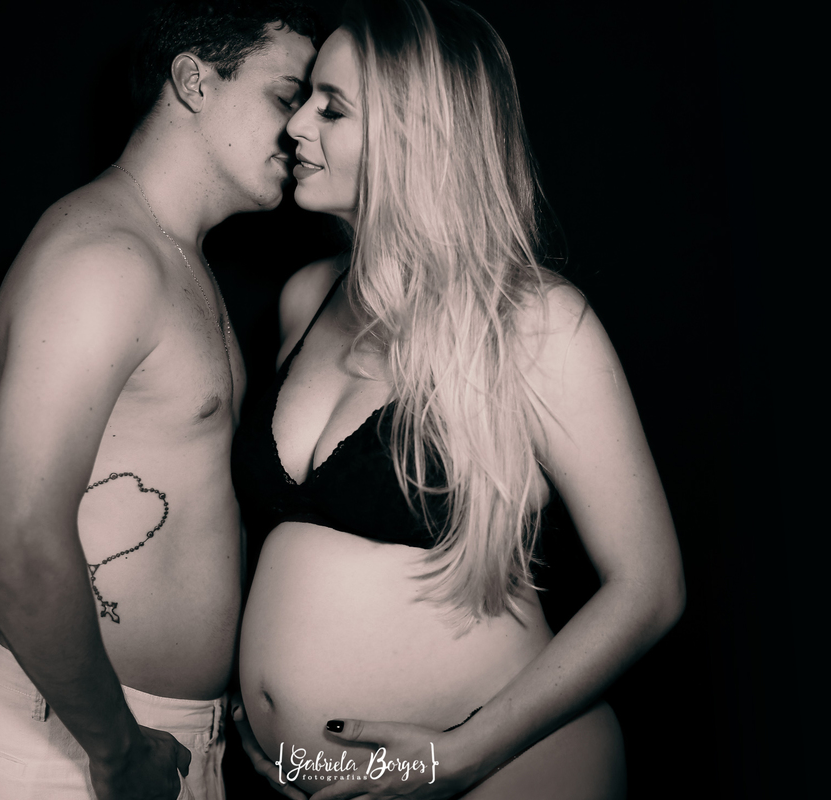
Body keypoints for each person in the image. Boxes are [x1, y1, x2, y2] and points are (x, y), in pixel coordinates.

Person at [229, 1, 685, 797]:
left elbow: (650, 589)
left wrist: (457, 757)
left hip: (505, 771)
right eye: (303, 100)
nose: (295, 125)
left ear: (418, 135)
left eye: (332, 108)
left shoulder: (536, 323)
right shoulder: (307, 298)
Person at [0, 2, 317, 798]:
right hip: (84, 743)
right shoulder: (105, 258)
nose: (302, 128)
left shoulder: (172, 255)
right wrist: (117, 752)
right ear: (194, 81)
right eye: (285, 95)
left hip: (157, 736)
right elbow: (12, 538)